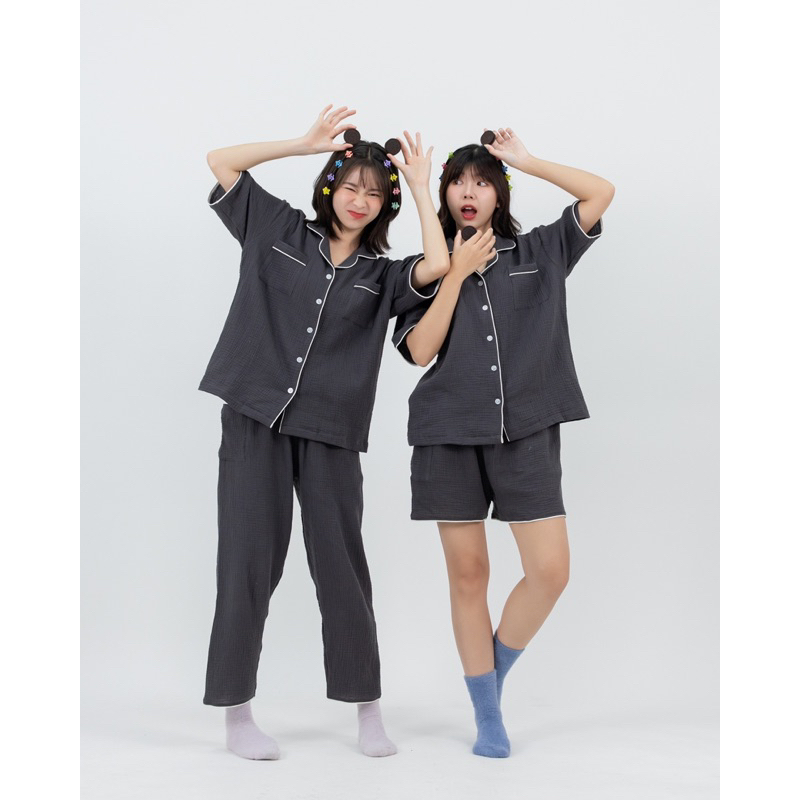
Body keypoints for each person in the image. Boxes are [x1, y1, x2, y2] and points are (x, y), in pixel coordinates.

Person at [201, 104, 448, 760]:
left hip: (332, 430)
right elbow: (220, 162)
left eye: (374, 194)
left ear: (385, 206)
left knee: (341, 566)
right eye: (351, 187)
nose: (360, 200)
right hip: (253, 414)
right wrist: (302, 144)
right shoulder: (276, 227)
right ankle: (236, 717)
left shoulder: (383, 277)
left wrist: (419, 186)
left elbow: (439, 264)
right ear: (330, 187)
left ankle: (367, 710)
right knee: (247, 561)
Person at [392, 127, 615, 757]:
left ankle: (488, 680)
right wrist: (457, 274)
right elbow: (418, 351)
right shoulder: (427, 267)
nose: (469, 192)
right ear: (444, 194)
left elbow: (600, 193)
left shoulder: (542, 250)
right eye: (457, 182)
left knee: (550, 572)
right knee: (470, 576)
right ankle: (488, 714)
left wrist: (528, 160)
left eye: (482, 182)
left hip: (528, 431)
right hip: (448, 433)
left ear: (499, 193)